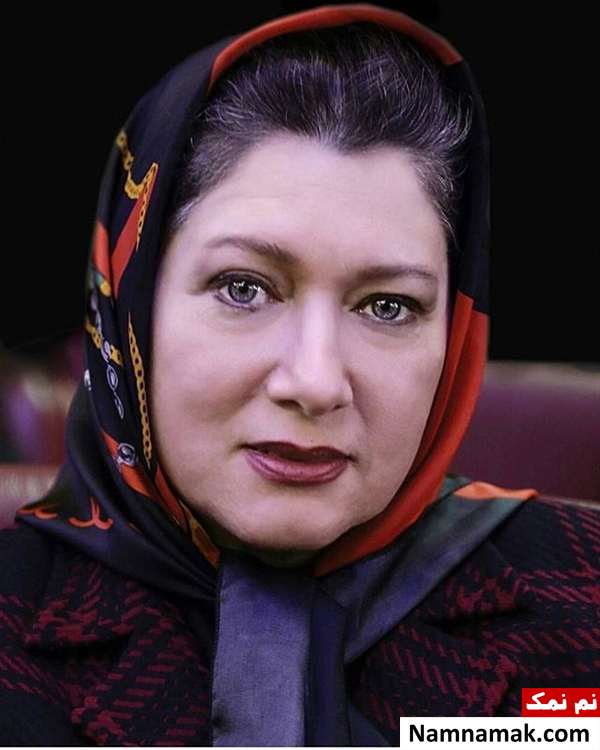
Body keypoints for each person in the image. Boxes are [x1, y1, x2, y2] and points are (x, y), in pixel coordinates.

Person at [1, 4, 598, 746]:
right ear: (132, 306)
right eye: (243, 288)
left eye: (387, 305)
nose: (315, 383)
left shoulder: (581, 606)